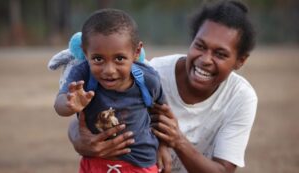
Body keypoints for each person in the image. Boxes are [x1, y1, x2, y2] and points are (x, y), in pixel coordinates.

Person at [68, 1, 257, 173]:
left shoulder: (240, 97)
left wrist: (177, 141)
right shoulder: (150, 75)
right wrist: (80, 141)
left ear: (240, 61)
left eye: (220, 54)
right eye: (200, 46)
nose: (205, 59)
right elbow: (86, 115)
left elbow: (223, 170)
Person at [54, 9, 167, 173]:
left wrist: (163, 147)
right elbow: (59, 104)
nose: (109, 70)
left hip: (140, 165)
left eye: (119, 58)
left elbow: (161, 115)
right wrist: (69, 104)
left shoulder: (148, 80)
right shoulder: (82, 74)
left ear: (136, 52)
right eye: (98, 59)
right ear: (85, 52)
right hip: (94, 163)